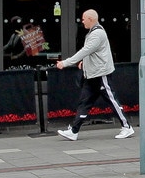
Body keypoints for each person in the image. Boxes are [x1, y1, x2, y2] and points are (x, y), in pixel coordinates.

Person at [56, 10, 133, 141]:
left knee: (112, 100)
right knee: (84, 103)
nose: (82, 21)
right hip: (92, 75)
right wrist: (83, 64)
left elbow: (86, 51)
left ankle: (127, 127)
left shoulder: (97, 34)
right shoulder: (94, 32)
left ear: (91, 19)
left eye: (84, 19)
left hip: (100, 74)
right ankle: (74, 131)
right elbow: (92, 53)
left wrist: (65, 63)